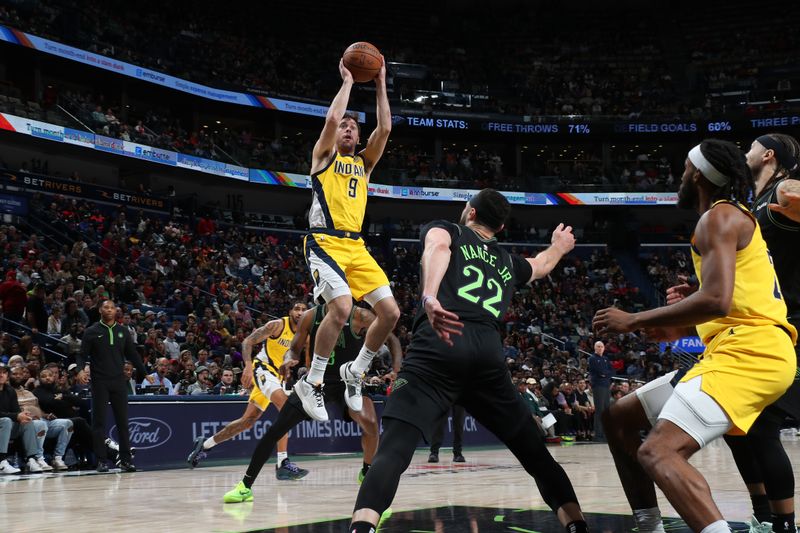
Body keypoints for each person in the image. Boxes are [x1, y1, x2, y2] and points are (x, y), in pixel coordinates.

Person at [348, 189, 588, 533]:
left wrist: (429, 296)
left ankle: (362, 528)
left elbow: (438, 248)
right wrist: (560, 246)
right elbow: (542, 266)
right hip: (488, 353)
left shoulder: (449, 230)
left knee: (394, 450)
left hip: (439, 343)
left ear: (470, 212)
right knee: (536, 455)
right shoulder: (507, 261)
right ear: (501, 226)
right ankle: (577, 525)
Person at [593, 139, 797, 533]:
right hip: (739, 346)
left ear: (700, 174)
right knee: (619, 418)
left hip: (751, 354)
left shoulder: (718, 218)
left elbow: (717, 301)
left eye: (686, 168)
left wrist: (635, 319)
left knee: (659, 451)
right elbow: (733, 302)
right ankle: (649, 524)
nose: (681, 176)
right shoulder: (729, 217)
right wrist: (676, 325)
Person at [294, 55, 400, 423]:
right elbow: (330, 119)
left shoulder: (364, 164)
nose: (349, 129)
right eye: (345, 126)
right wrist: (349, 82)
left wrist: (381, 80)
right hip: (323, 242)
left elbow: (384, 129)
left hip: (355, 246)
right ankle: (314, 381)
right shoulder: (322, 158)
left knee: (390, 313)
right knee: (340, 308)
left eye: (354, 127)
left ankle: (356, 370)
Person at [222, 303, 402, 503]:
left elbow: (392, 339)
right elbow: (294, 349)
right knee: (276, 430)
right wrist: (289, 359)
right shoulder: (310, 316)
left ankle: (367, 475)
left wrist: (395, 369)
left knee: (370, 424)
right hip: (317, 382)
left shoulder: (359, 315)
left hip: (348, 381)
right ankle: (245, 486)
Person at [188, 302, 309, 481]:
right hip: (263, 368)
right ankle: (282, 463)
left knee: (247, 421)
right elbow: (248, 341)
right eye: (296, 309)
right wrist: (247, 366)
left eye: (303, 310)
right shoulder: (277, 325)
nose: (300, 312)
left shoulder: (304, 335)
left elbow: (306, 358)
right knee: (286, 408)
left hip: (277, 376)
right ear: (290, 311)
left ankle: (205, 445)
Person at [77, 299, 151, 472]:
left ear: (116, 311)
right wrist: (80, 370)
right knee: (99, 422)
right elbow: (82, 355)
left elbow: (132, 354)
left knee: (123, 422)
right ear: (100, 310)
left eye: (112, 308)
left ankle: (125, 460)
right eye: (106, 307)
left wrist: (145, 372)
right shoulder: (91, 331)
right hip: (99, 381)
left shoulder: (122, 331)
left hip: (118, 382)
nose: (109, 310)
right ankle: (102, 460)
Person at [0, 365, 37, 474]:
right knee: (6, 421)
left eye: (4, 372)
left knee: (27, 421)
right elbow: (13, 416)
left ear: (7, 375)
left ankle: (31, 459)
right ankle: (1, 462)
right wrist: (16, 416)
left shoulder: (10, 390)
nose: (1, 375)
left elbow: (16, 412)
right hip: (4, 424)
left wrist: (22, 414)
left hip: (6, 426)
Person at [587, 340, 612, 441]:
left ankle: (606, 434)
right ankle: (598, 435)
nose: (600, 348)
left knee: (606, 411)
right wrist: (605, 374)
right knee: (600, 411)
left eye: (602, 346)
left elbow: (611, 371)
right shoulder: (592, 358)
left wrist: (605, 374)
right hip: (598, 386)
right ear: (594, 348)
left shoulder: (606, 359)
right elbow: (599, 371)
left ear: (604, 348)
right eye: (598, 346)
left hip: (606, 386)